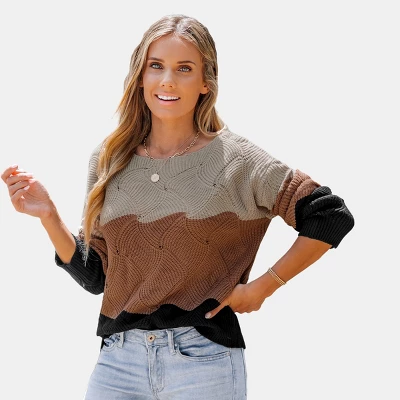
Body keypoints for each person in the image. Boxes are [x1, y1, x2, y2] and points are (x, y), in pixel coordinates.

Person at [1, 14, 354, 400]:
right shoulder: (109, 159)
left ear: (206, 82)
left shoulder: (237, 161)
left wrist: (264, 286)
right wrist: (49, 216)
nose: (167, 80)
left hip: (203, 360)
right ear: (140, 77)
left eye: (184, 68)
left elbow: (330, 216)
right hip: (118, 362)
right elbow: (97, 277)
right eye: (156, 66)